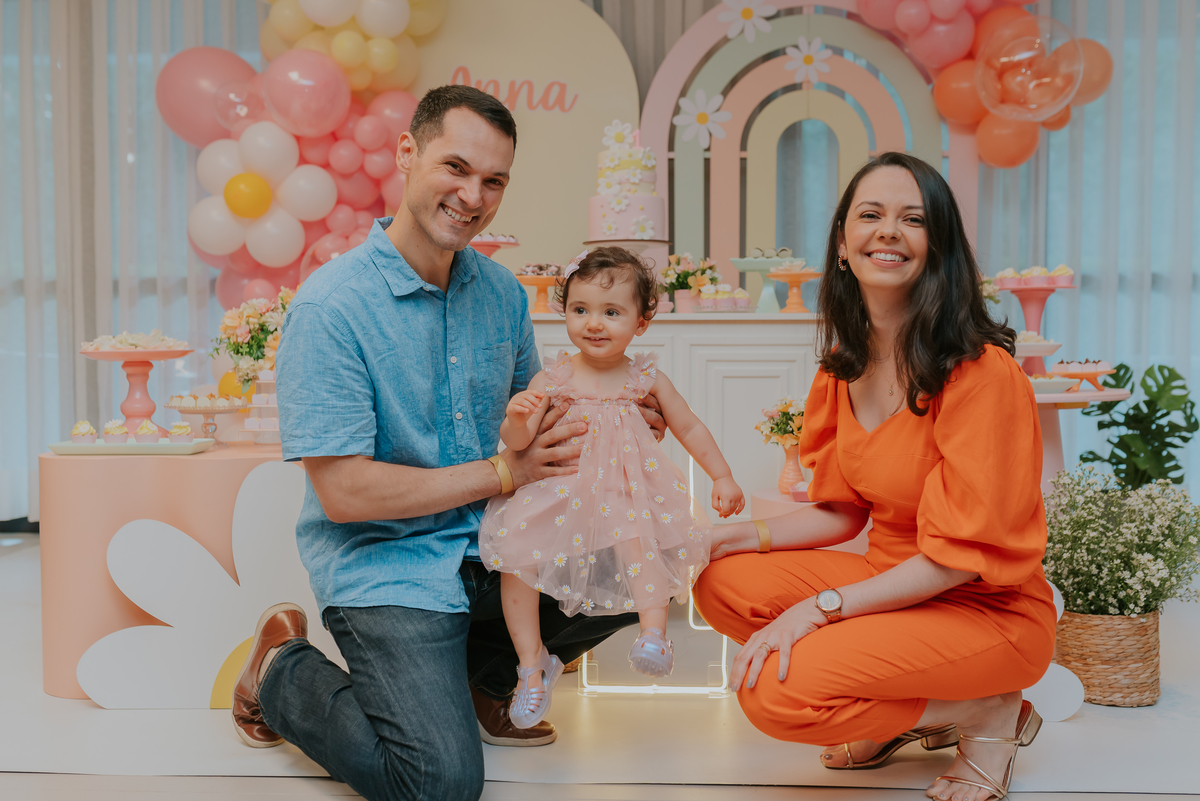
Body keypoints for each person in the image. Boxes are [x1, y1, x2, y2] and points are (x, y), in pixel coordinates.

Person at [229, 86, 644, 801]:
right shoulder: (330, 309)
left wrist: (615, 413)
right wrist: (502, 472)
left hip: (494, 548)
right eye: (455, 167)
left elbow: (537, 423)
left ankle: (479, 679)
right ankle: (279, 670)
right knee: (440, 784)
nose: (472, 194)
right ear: (407, 154)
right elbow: (346, 492)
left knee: (648, 560)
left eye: (494, 180)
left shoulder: (505, 296)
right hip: (391, 565)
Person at [694, 152, 1057, 801]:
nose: (888, 229)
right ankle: (901, 705)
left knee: (771, 689)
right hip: (892, 578)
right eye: (871, 214)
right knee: (720, 583)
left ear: (937, 246)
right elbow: (840, 512)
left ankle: (984, 709)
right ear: (842, 242)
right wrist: (718, 538)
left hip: (986, 608)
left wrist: (816, 609)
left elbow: (957, 561)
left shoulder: (983, 374)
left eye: (912, 218)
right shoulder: (843, 366)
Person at [477, 247, 745, 728]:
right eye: (580, 310)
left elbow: (690, 427)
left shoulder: (645, 377)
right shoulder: (554, 376)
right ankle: (531, 665)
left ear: (641, 322)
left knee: (641, 541)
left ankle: (653, 634)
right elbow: (516, 442)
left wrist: (721, 476)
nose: (594, 324)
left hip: (623, 492)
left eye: (611, 312)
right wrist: (517, 418)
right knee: (514, 559)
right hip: (558, 492)